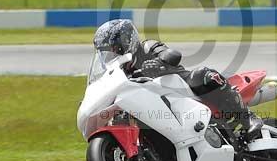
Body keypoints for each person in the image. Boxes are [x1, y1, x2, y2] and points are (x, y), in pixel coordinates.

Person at [92, 19, 263, 134]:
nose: (111, 55)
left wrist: (159, 62)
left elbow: (172, 54)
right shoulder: (118, 72)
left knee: (203, 75)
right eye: (106, 52)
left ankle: (247, 118)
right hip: (154, 106)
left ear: (126, 42)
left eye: (114, 50)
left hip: (182, 88)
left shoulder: (147, 47)